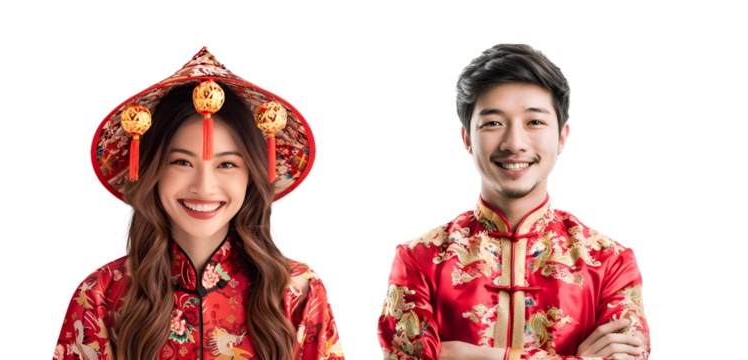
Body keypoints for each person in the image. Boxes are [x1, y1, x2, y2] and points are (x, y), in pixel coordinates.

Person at [52, 45, 344, 360]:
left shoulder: (298, 290)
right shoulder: (101, 292)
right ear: (151, 171)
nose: (204, 187)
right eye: (181, 162)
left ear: (252, 176)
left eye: (227, 164)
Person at [376, 42, 650, 360]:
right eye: (493, 123)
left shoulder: (610, 262)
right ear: (466, 138)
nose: (514, 144)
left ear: (562, 136)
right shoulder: (419, 258)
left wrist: (461, 355)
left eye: (534, 122)